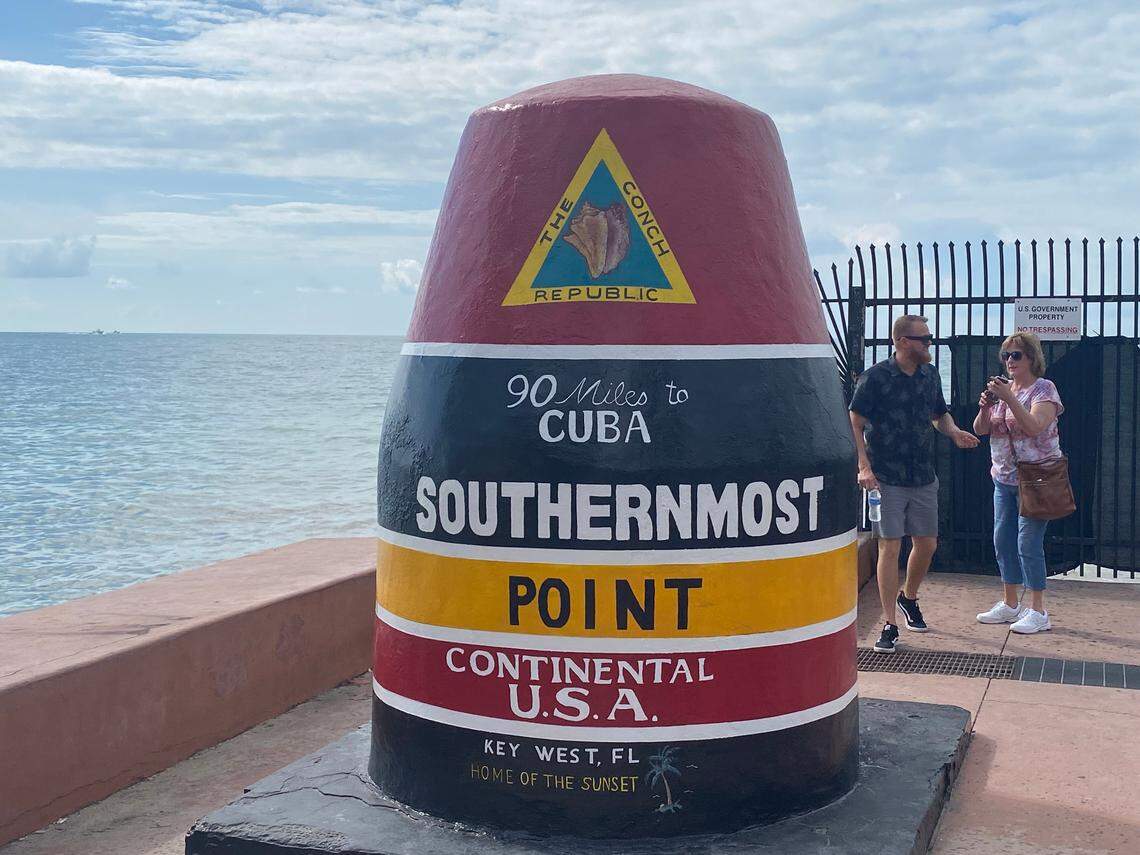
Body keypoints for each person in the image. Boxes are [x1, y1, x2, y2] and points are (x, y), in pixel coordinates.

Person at [849, 315, 980, 653]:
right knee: (889, 547)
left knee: (927, 544)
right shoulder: (876, 377)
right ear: (903, 341)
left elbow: (939, 414)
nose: (929, 344)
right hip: (885, 477)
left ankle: (909, 597)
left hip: (922, 474)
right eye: (924, 338)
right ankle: (890, 623)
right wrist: (864, 466)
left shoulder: (930, 375)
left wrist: (953, 432)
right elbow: (855, 420)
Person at [972, 332, 1064, 634]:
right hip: (1004, 478)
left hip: (1037, 478)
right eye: (1006, 355)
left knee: (1028, 542)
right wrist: (986, 406)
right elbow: (981, 429)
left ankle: (1039, 610)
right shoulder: (1004, 391)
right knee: (1002, 539)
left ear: (1031, 358)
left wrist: (1010, 398)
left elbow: (1036, 427)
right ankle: (1011, 603)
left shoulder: (1044, 390)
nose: (1010, 361)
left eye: (1016, 355)